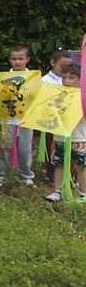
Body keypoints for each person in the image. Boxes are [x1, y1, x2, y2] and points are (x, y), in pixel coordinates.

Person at [0, 45, 36, 186]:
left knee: (25, 149)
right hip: (7, 119)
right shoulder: (3, 78)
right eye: (14, 59)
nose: (17, 62)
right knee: (4, 147)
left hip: (26, 120)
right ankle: (0, 175)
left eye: (20, 59)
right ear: (9, 60)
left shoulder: (33, 78)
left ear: (27, 59)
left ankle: (26, 175)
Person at [45, 64, 86, 202]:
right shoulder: (58, 95)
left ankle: (83, 193)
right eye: (64, 77)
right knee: (59, 164)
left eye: (72, 77)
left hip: (79, 138)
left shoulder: (83, 97)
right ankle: (57, 191)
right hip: (60, 137)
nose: (67, 81)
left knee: (81, 166)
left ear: (81, 79)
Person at [41, 49, 72, 181]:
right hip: (50, 120)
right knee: (51, 146)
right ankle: (52, 174)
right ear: (53, 62)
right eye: (62, 66)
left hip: (67, 119)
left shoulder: (71, 79)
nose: (65, 70)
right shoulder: (45, 80)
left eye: (68, 67)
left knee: (68, 146)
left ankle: (70, 172)